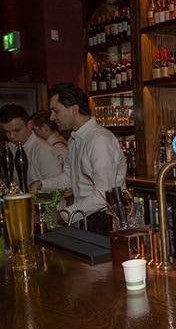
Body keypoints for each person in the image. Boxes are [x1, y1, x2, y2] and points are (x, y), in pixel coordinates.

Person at [28, 83, 127, 235]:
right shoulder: (76, 138)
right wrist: (42, 184)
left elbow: (104, 195)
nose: (52, 117)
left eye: (56, 111)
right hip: (87, 218)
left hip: (106, 221)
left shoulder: (99, 140)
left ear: (73, 109)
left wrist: (64, 215)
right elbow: (70, 177)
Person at [0, 103, 63, 190]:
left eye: (16, 130)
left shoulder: (45, 151)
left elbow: (58, 188)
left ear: (29, 125)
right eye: (7, 132)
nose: (12, 136)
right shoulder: (8, 149)